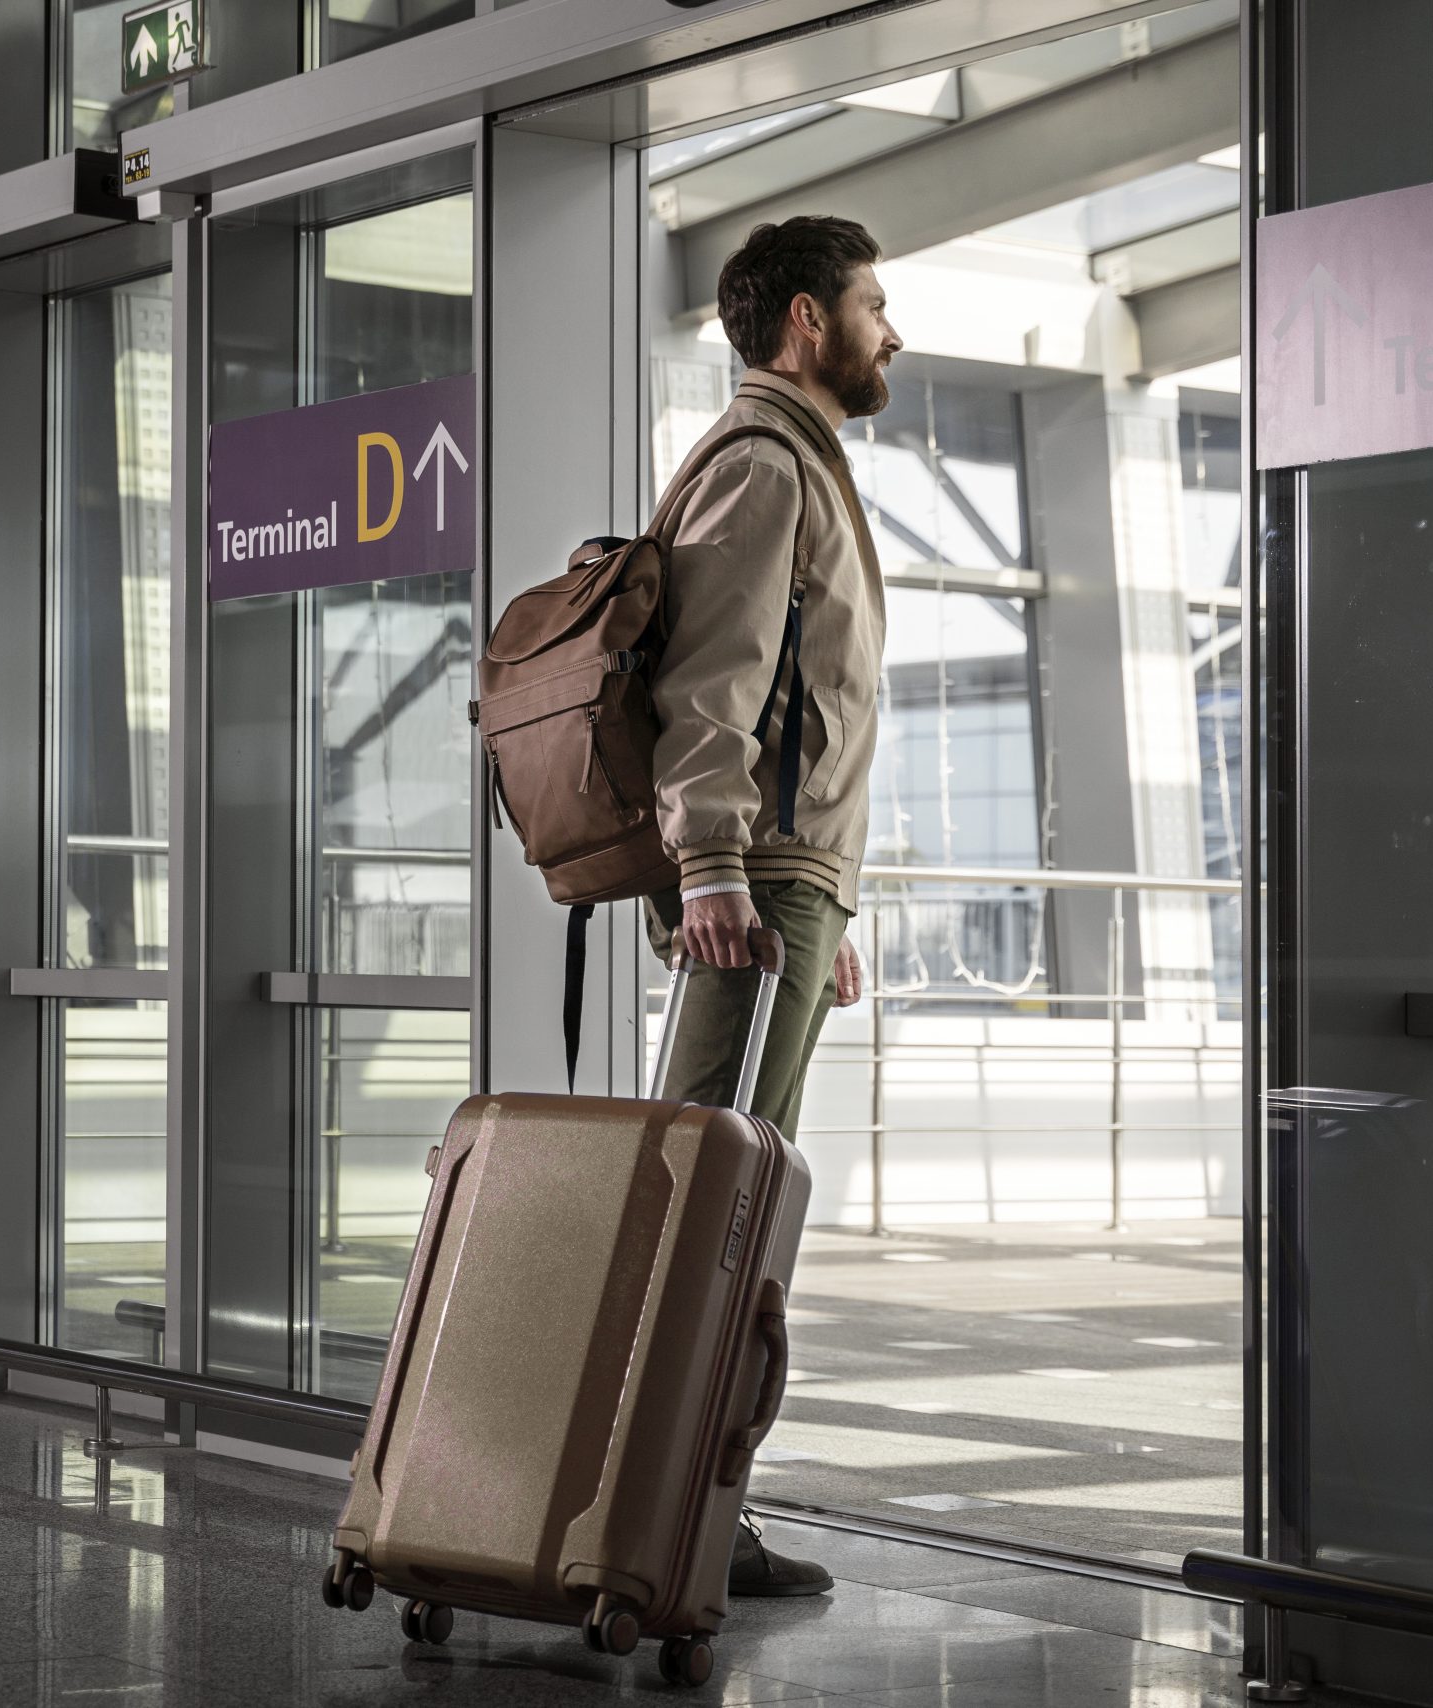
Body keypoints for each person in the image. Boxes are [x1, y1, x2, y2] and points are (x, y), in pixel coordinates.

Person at [650, 215, 897, 1598]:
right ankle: (667, 1514)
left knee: (737, 1195)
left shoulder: (800, 462)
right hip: (756, 889)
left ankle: (688, 1506)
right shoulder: (761, 464)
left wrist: (828, 909)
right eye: (873, 304)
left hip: (790, 889)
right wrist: (720, 868)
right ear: (807, 323)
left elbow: (804, 704)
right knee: (712, 1205)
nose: (891, 330)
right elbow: (716, 684)